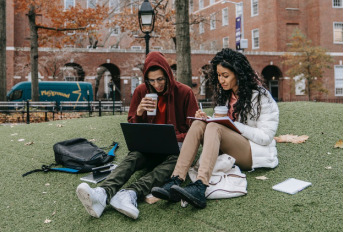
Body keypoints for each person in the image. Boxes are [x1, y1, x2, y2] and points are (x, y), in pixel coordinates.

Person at [76, 51, 198, 219]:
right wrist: (139, 112)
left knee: (177, 160)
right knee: (134, 156)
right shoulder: (141, 91)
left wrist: (174, 138)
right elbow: (133, 127)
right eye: (152, 80)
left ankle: (130, 193)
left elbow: (195, 130)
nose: (157, 84)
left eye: (161, 79)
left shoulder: (185, 92)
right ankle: (102, 193)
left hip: (175, 148)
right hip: (149, 148)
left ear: (168, 75)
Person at [152, 48, 279, 209]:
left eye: (225, 76)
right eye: (219, 75)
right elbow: (222, 126)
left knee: (214, 127)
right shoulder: (226, 95)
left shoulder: (261, 96)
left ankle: (200, 185)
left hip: (252, 152)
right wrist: (207, 119)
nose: (221, 80)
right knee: (199, 123)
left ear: (238, 74)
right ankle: (175, 180)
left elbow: (266, 136)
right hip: (229, 147)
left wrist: (231, 125)